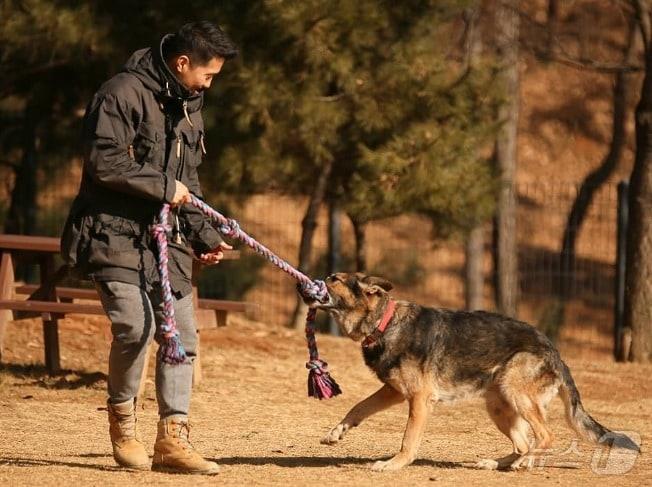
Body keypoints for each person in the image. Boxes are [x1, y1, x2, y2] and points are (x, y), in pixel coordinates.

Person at [61, 21, 238, 474]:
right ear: (182, 63)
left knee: (183, 339)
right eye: (208, 74)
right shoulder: (119, 93)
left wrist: (203, 235)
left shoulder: (190, 105)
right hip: (112, 233)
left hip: (166, 242)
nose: (210, 83)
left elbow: (189, 182)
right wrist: (163, 186)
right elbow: (105, 162)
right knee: (134, 329)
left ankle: (173, 439)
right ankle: (123, 422)